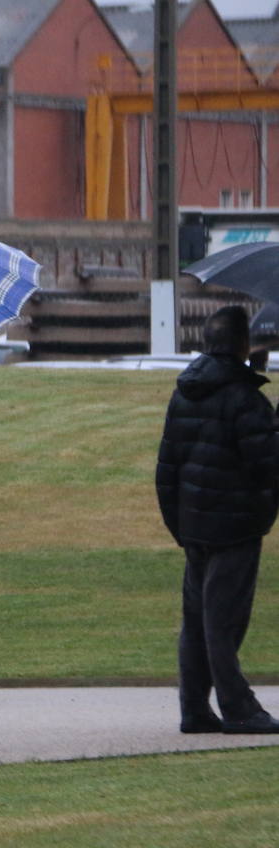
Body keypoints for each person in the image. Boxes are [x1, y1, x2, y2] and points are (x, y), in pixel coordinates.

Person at [156, 305, 279, 735]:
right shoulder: (246, 400)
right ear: (243, 345)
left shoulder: (186, 390)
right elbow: (267, 467)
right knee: (222, 622)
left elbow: (167, 465)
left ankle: (194, 707)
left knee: (198, 619)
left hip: (194, 525)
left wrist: (178, 524)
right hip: (236, 527)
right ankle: (238, 707)